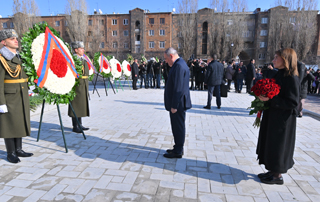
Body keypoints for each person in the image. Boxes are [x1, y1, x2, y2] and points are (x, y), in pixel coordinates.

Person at [256, 48, 300, 185]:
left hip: (283, 121)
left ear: (286, 60)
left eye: (276, 57)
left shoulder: (291, 77)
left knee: (279, 145)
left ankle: (277, 175)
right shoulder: (279, 74)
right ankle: (272, 170)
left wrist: (270, 100)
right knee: (271, 144)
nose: (273, 60)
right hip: (273, 116)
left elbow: (293, 102)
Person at [0, 29, 33, 163]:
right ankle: (11, 153)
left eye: (16, 38)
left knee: (19, 122)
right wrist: (1, 102)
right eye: (11, 38)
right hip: (9, 96)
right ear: (4, 42)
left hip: (21, 94)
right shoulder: (2, 59)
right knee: (9, 124)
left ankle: (19, 149)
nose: (15, 40)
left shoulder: (19, 56)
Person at [163, 47, 192, 158]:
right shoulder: (180, 64)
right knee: (177, 126)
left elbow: (178, 88)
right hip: (178, 102)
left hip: (178, 104)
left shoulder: (179, 66)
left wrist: (174, 105)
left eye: (166, 59)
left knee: (178, 126)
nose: (165, 61)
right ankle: (177, 147)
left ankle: (178, 151)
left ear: (171, 56)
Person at [68, 41, 90, 133]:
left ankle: (80, 124)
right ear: (76, 50)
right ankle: (75, 126)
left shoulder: (82, 59)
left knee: (80, 105)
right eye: (81, 48)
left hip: (83, 85)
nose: (83, 50)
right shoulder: (73, 60)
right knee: (75, 105)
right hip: (76, 86)